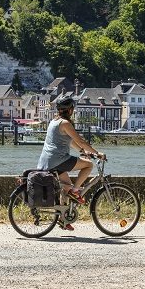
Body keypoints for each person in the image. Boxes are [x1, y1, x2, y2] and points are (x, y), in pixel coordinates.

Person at [37, 93, 106, 230]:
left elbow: (71, 142)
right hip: (58, 160)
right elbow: (80, 140)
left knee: (66, 187)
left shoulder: (54, 121)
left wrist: (82, 151)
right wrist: (96, 153)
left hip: (47, 161)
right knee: (88, 165)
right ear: (70, 110)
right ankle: (75, 191)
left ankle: (63, 220)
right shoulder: (65, 123)